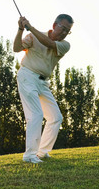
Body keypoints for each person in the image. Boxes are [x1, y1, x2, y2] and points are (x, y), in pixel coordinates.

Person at [14, 14, 74, 163]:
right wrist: (21, 29)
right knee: (36, 114)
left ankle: (42, 152)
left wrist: (31, 28)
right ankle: (29, 155)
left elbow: (49, 43)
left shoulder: (65, 45)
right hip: (27, 76)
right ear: (54, 26)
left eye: (68, 31)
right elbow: (16, 48)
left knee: (56, 117)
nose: (65, 33)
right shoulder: (34, 36)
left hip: (43, 82)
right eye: (63, 28)